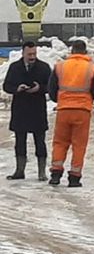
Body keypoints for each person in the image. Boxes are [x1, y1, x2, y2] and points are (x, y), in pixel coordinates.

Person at [47, 39, 94, 188]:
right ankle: (74, 177)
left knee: (60, 142)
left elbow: (52, 90)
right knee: (79, 145)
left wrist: (61, 99)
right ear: (85, 52)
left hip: (63, 110)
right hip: (82, 111)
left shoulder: (60, 67)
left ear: (71, 51)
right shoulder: (91, 68)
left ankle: (55, 173)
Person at [3, 42, 52, 181]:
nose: (32, 57)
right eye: (29, 54)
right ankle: (20, 170)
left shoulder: (43, 67)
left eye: (34, 54)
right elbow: (6, 86)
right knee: (20, 141)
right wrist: (17, 88)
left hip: (37, 109)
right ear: (23, 53)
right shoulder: (15, 68)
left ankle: (42, 172)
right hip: (20, 109)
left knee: (40, 141)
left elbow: (51, 86)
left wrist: (39, 88)